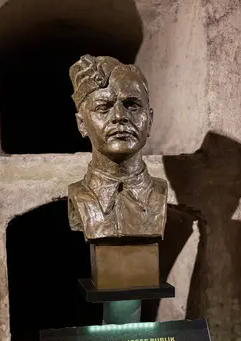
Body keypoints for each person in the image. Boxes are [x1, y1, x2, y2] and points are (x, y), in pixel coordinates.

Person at [68, 55, 167, 241]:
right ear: (81, 124)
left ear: (150, 120)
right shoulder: (79, 196)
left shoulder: (160, 195)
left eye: (132, 105)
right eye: (103, 108)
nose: (120, 116)